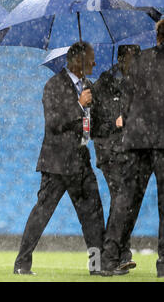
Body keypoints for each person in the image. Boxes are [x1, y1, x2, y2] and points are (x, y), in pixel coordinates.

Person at [14, 41, 105, 275]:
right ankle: (22, 264)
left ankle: (96, 266)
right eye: (91, 58)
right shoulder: (54, 85)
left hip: (81, 160)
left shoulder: (89, 86)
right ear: (77, 60)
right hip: (57, 163)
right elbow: (53, 123)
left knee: (92, 216)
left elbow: (92, 124)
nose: (94, 62)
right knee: (42, 213)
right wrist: (79, 105)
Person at [101, 19, 164, 278]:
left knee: (126, 201)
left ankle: (108, 259)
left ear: (157, 37)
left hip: (136, 140)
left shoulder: (139, 60)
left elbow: (126, 103)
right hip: (162, 141)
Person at [91, 45, 141, 275]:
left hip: (129, 153)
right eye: (132, 58)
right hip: (110, 153)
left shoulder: (137, 84)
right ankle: (120, 255)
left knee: (123, 203)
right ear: (121, 59)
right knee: (121, 200)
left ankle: (115, 255)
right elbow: (96, 126)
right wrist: (116, 122)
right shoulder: (103, 84)